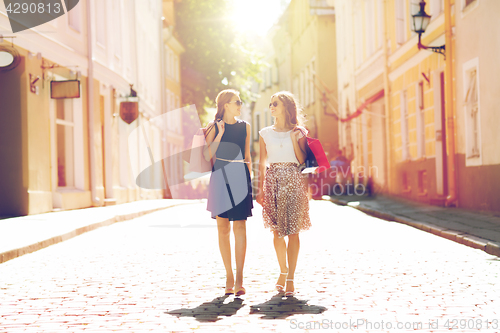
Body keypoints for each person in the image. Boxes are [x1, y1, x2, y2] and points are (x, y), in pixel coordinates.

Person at [256, 91, 311, 297]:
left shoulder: (299, 132)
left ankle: (290, 278)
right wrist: (260, 189)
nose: (271, 107)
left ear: (286, 108)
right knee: (277, 233)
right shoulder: (264, 133)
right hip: (273, 181)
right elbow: (262, 163)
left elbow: (302, 161)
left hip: (294, 179)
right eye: (270, 104)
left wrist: (295, 139)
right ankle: (282, 270)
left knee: (293, 232)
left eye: (275, 104)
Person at [204, 89, 253, 297]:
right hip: (220, 177)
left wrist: (251, 183)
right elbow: (207, 155)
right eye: (237, 102)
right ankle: (229, 276)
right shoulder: (214, 127)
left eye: (240, 102)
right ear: (226, 105)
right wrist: (220, 134)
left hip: (240, 175)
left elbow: (248, 155)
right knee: (223, 229)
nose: (240, 105)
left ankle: (240, 279)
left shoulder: (246, 127)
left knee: (240, 226)